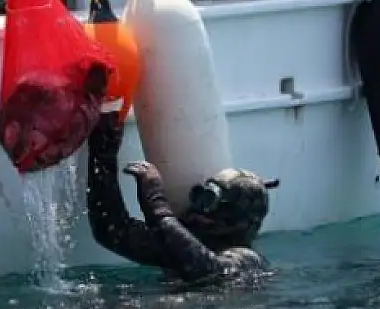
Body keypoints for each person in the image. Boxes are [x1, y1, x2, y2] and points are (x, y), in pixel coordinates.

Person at [85, 112, 279, 285]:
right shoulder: (182, 250)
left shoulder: (249, 261)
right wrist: (104, 152)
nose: (195, 208)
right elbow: (112, 231)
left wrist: (156, 202)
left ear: (233, 219)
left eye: (208, 201)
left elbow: (209, 272)